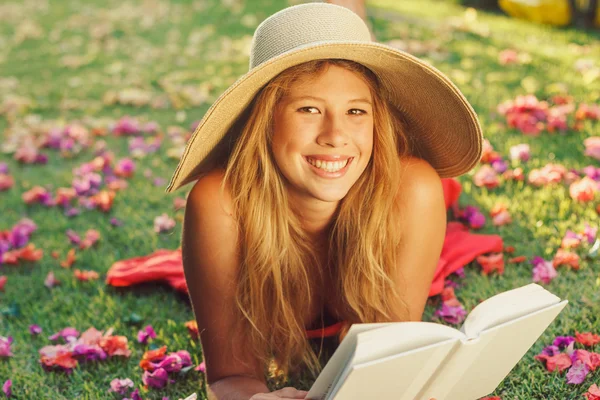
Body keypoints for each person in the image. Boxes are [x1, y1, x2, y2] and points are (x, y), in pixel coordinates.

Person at [165, 2, 483, 399]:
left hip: (381, 190)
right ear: (266, 120)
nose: (335, 133)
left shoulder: (413, 189)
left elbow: (386, 357)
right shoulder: (221, 203)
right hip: (290, 189)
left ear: (375, 120)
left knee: (426, 183)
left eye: (355, 110)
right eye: (309, 108)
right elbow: (230, 377)